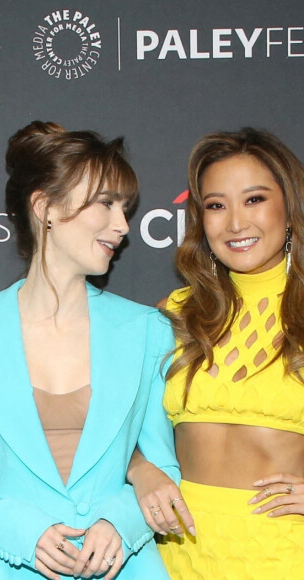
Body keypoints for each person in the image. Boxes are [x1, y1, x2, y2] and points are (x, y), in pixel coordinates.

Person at [0, 121, 180, 579]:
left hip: (121, 567)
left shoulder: (147, 330)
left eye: (125, 209)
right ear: (45, 207)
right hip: (5, 567)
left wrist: (119, 522)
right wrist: (24, 533)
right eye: (105, 204)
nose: (122, 225)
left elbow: (162, 468)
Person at [127, 128, 304, 579]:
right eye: (216, 205)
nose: (236, 223)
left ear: (290, 208)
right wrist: (141, 469)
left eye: (255, 199)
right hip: (178, 550)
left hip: (283, 551)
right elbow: (112, 430)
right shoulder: (176, 313)